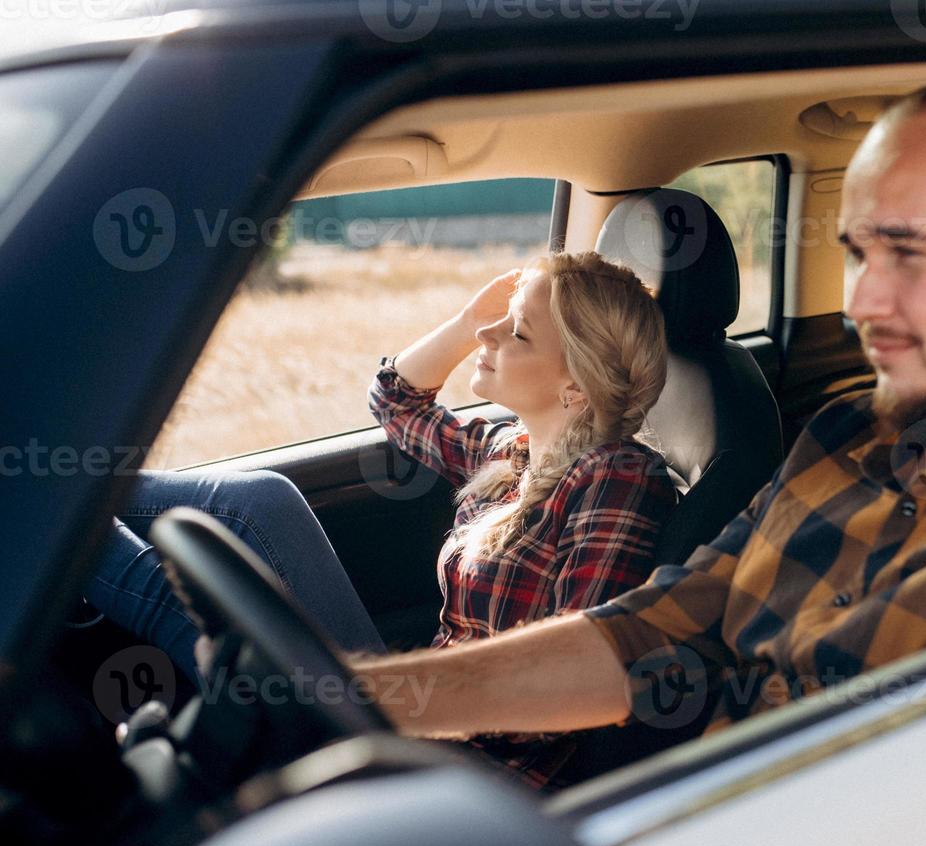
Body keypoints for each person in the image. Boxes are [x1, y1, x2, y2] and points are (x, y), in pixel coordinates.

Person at [350, 79, 926, 743]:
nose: (862, 303)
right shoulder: (846, 435)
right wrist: (363, 704)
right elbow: (659, 628)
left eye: (912, 254)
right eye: (859, 255)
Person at [84, 252, 677, 724]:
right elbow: (395, 402)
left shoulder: (617, 479)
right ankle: (68, 487)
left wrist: (379, 701)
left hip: (472, 761)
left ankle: (50, 507)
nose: (487, 335)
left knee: (185, 613)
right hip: (419, 703)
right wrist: (467, 322)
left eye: (516, 331)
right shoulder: (512, 449)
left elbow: (567, 677)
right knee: (262, 500)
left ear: (575, 385)